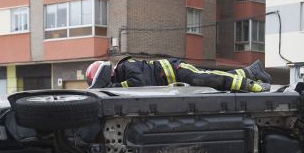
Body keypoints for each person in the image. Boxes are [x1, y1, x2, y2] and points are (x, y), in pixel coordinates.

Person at [85, 55, 271, 94]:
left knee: (208, 78)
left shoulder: (125, 66)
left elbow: (140, 82)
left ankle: (252, 86)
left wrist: (114, 88)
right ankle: (251, 72)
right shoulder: (121, 77)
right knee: (211, 78)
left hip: (175, 71)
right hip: (173, 79)